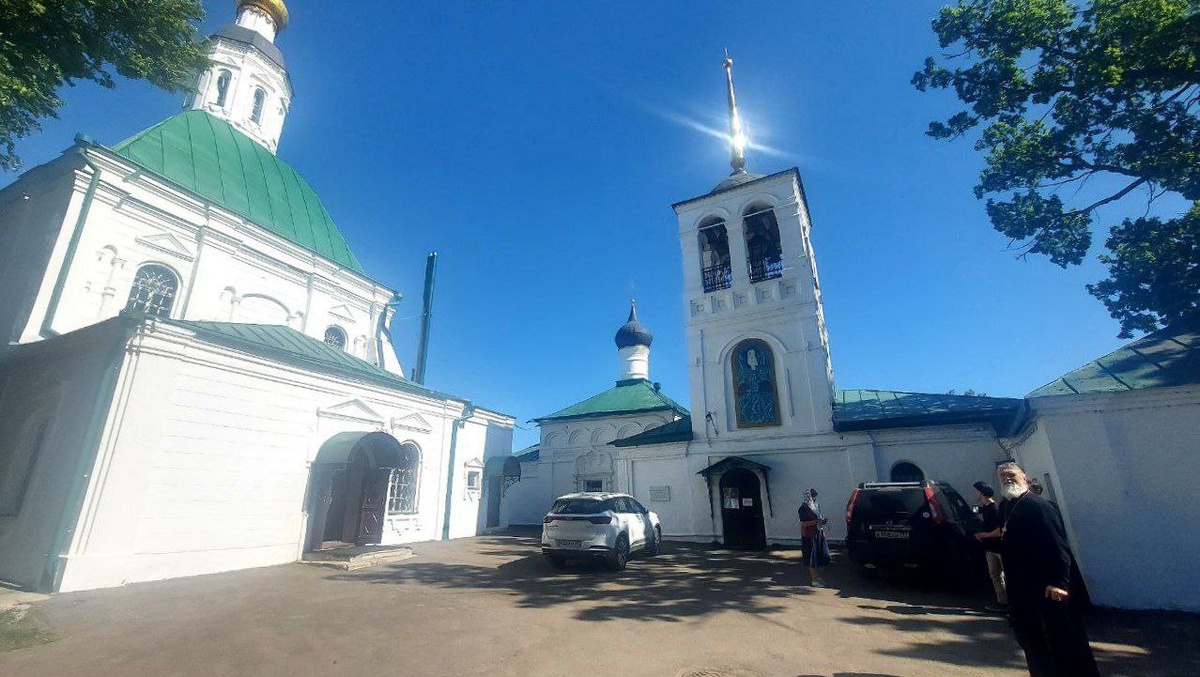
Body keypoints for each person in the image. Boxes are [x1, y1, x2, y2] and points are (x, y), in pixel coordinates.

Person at [996, 461, 1099, 677]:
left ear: (1024, 477)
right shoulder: (1007, 506)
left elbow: (1058, 547)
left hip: (1047, 587)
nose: (1007, 479)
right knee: (1035, 643)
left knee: (1062, 642)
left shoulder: (1038, 506)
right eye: (1002, 476)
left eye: (1011, 474)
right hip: (1023, 588)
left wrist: (1059, 583)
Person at [972, 481, 1007, 612]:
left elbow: (999, 531)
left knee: (1005, 575)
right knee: (995, 575)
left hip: (999, 548)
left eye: (976, 491)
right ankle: (1002, 602)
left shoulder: (994, 509)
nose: (974, 493)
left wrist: (983, 535)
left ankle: (1013, 603)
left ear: (982, 493)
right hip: (990, 548)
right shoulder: (985, 508)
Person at [798, 488, 831, 587]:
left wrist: (823, 522)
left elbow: (818, 518)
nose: (814, 498)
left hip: (818, 533)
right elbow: (804, 523)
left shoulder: (816, 506)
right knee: (811, 557)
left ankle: (817, 577)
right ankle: (814, 580)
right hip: (809, 535)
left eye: (815, 496)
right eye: (812, 496)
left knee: (820, 556)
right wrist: (817, 521)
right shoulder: (803, 508)